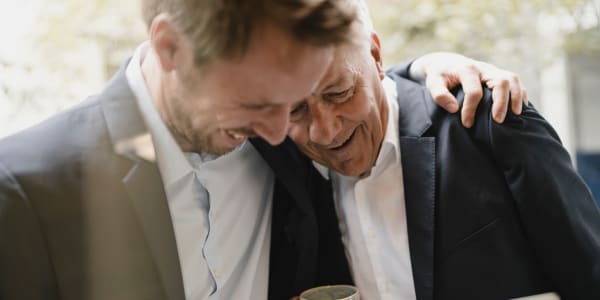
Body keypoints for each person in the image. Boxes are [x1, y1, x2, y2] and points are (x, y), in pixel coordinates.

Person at [0, 0, 528, 299]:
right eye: (257, 103)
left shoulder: (286, 134)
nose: (285, 132)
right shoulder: (24, 191)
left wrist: (420, 71)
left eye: (293, 102)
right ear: (170, 49)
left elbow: (353, 86)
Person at [267, 4, 600, 300]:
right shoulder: (288, 170)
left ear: (375, 56)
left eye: (339, 93)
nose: (324, 131)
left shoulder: (490, 119)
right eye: (295, 111)